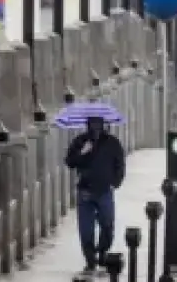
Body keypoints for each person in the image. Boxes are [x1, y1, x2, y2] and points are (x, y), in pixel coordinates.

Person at [65, 116, 126, 274]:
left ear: (104, 124)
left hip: (105, 190)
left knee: (107, 224)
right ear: (88, 125)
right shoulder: (80, 141)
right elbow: (70, 162)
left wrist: (115, 182)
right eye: (93, 124)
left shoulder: (112, 142)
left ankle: (103, 251)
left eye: (99, 123)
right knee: (86, 229)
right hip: (85, 191)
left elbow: (120, 163)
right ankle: (90, 260)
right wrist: (83, 152)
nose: (96, 127)